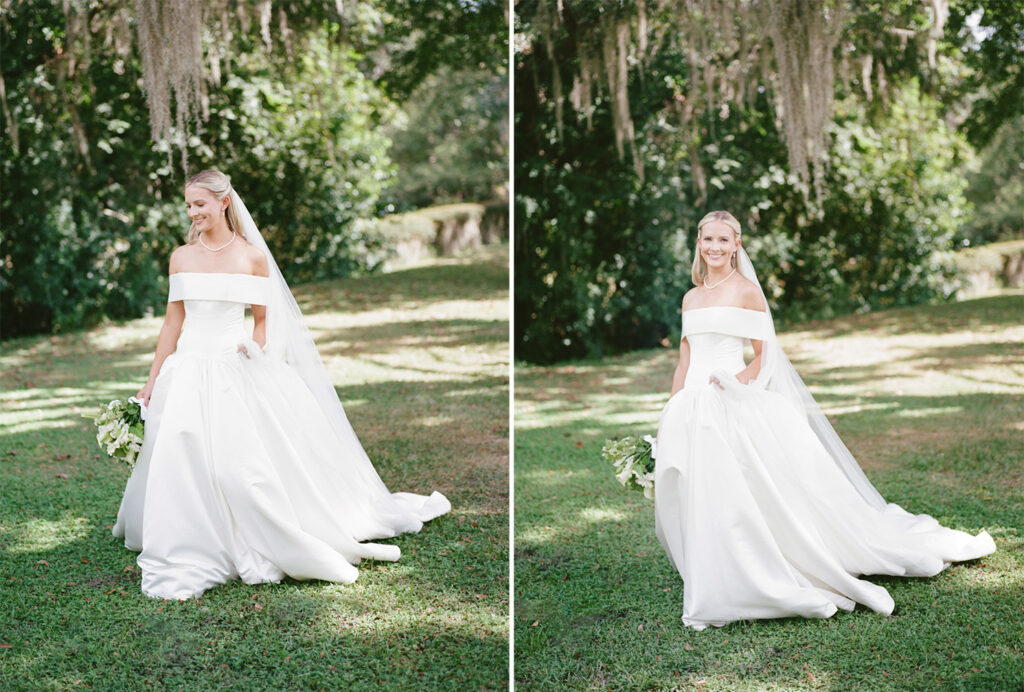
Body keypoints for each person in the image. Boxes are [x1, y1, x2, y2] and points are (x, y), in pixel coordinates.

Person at [113, 169, 451, 599]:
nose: (193, 212)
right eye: (188, 206)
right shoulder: (181, 257)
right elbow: (172, 322)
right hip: (189, 370)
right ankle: (189, 536)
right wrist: (152, 379)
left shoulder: (252, 257)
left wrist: (254, 348)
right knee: (180, 451)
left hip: (235, 370)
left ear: (223, 202)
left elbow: (264, 319)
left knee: (241, 468)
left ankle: (262, 533)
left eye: (199, 203)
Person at [654, 210, 995, 631]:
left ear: (737, 244)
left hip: (731, 399)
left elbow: (765, 355)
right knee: (707, 492)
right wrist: (674, 409)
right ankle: (717, 570)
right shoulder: (691, 297)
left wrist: (735, 379)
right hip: (694, 406)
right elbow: (684, 359)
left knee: (748, 491)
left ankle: (759, 571)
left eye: (724, 240)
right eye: (708, 240)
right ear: (699, 242)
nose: (716, 248)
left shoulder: (746, 292)